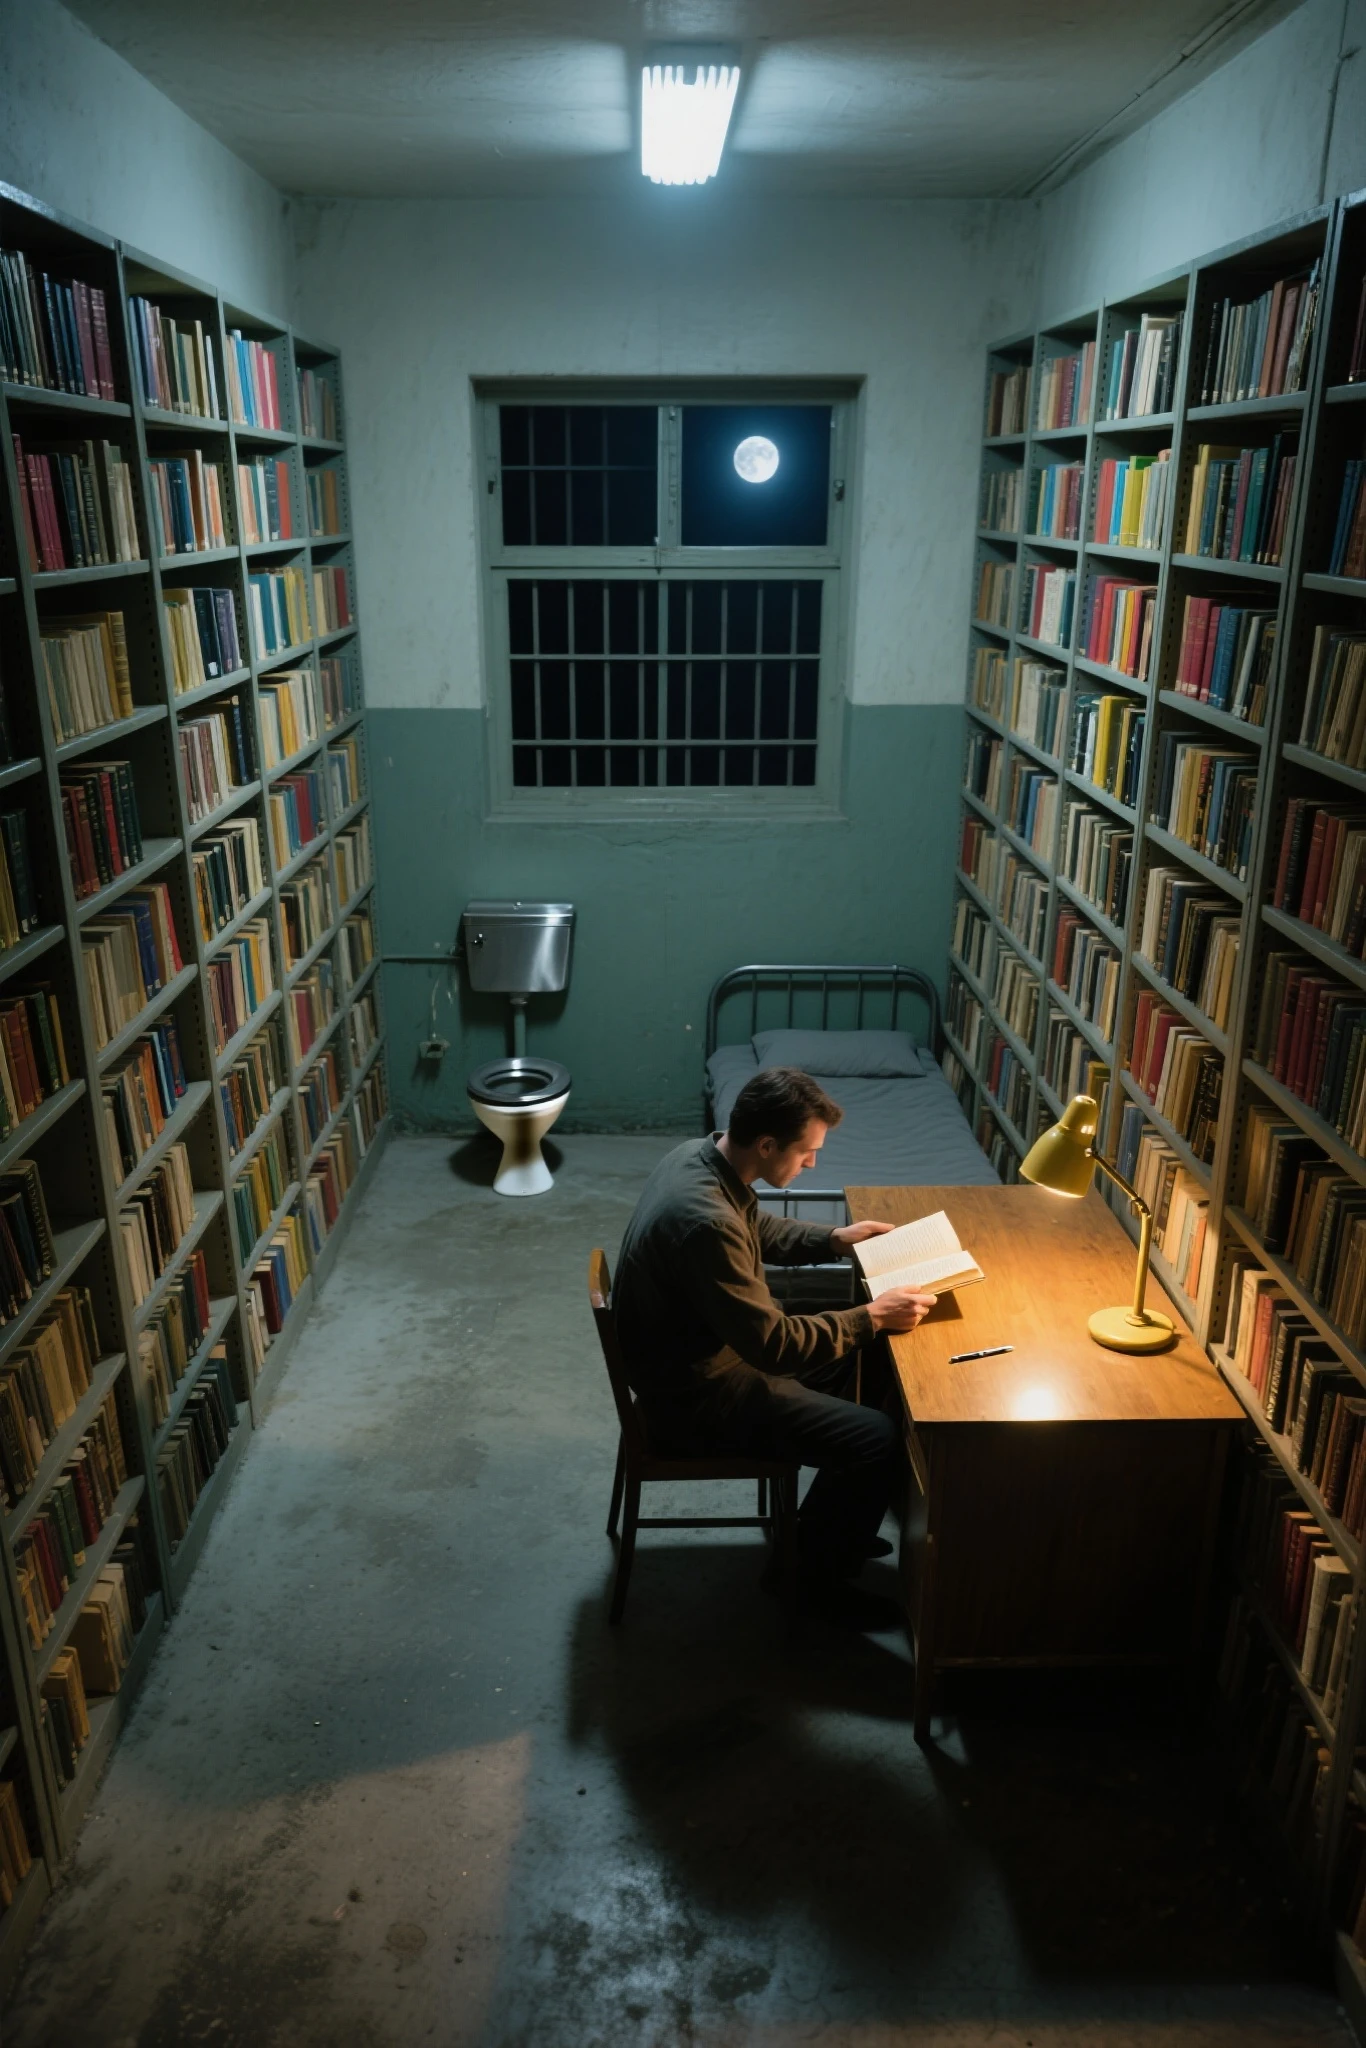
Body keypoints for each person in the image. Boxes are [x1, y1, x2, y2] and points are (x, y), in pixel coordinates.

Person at [612, 1066, 935, 1627]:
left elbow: (754, 1228)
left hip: (699, 1358)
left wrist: (833, 1240)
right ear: (767, 1144)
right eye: (806, 1152)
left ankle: (827, 1537)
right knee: (876, 1439)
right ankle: (809, 1586)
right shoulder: (705, 1221)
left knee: (863, 1357)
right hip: (697, 1397)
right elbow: (775, 1347)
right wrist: (871, 1316)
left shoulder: (701, 1157)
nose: (813, 1163)